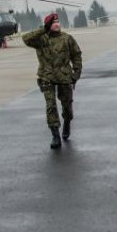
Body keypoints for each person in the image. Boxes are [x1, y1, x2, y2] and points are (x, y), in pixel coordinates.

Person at [22, 13, 82, 149]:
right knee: (51, 106)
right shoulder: (41, 39)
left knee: (67, 105)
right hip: (46, 77)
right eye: (53, 22)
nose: (57, 24)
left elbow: (76, 55)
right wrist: (44, 29)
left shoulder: (67, 38)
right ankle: (55, 135)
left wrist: (76, 73)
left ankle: (67, 122)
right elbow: (26, 39)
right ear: (48, 25)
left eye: (58, 22)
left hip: (64, 76)